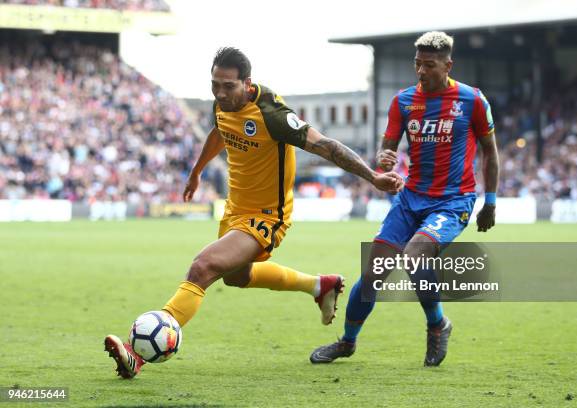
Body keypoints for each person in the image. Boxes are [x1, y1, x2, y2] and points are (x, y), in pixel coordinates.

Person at [104, 47, 404, 378]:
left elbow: (327, 146)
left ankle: (137, 356)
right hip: (235, 211)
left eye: (228, 86)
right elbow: (219, 132)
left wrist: (373, 177)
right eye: (215, 84)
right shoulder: (222, 104)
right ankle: (320, 286)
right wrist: (197, 171)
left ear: (247, 84)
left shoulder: (272, 114)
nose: (219, 92)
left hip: (266, 216)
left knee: (203, 267)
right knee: (236, 277)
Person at [310, 31, 499, 366]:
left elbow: (490, 153)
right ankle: (347, 342)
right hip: (410, 198)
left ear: (447, 65)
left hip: (453, 201)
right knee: (372, 275)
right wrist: (385, 160)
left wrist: (491, 201)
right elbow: (388, 147)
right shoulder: (403, 101)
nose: (421, 71)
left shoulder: (472, 100)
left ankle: (437, 324)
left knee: (414, 256)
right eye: (417, 63)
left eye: (429, 64)